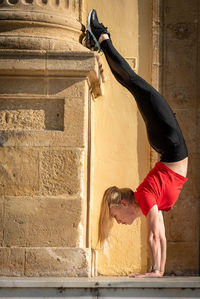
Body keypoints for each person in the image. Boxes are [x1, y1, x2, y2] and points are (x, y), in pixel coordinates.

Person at [85, 9, 188, 278]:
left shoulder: (144, 197)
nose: (121, 222)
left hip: (168, 140)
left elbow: (154, 235)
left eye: (117, 217)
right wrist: (159, 271)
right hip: (168, 142)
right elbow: (161, 234)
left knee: (133, 82)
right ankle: (100, 39)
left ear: (122, 204)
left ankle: (101, 35)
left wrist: (153, 271)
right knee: (132, 83)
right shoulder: (148, 202)